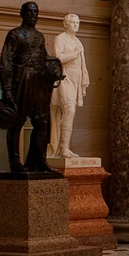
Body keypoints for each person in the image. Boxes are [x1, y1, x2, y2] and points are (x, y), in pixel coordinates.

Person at [0, 1, 63, 172]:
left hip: (38, 81)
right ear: (22, 14)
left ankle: (38, 160)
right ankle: (15, 163)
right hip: (21, 81)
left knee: (42, 122)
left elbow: (45, 59)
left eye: (35, 12)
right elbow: (6, 63)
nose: (33, 15)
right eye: (30, 12)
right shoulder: (15, 35)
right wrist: (7, 89)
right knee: (17, 121)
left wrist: (55, 71)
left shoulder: (40, 37)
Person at [49, 14, 90, 158]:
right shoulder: (60, 38)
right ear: (65, 24)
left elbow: (82, 64)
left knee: (70, 113)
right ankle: (63, 147)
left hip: (75, 79)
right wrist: (74, 54)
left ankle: (64, 147)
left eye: (77, 22)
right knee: (69, 109)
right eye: (72, 22)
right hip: (64, 77)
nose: (75, 25)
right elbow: (58, 58)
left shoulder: (78, 42)